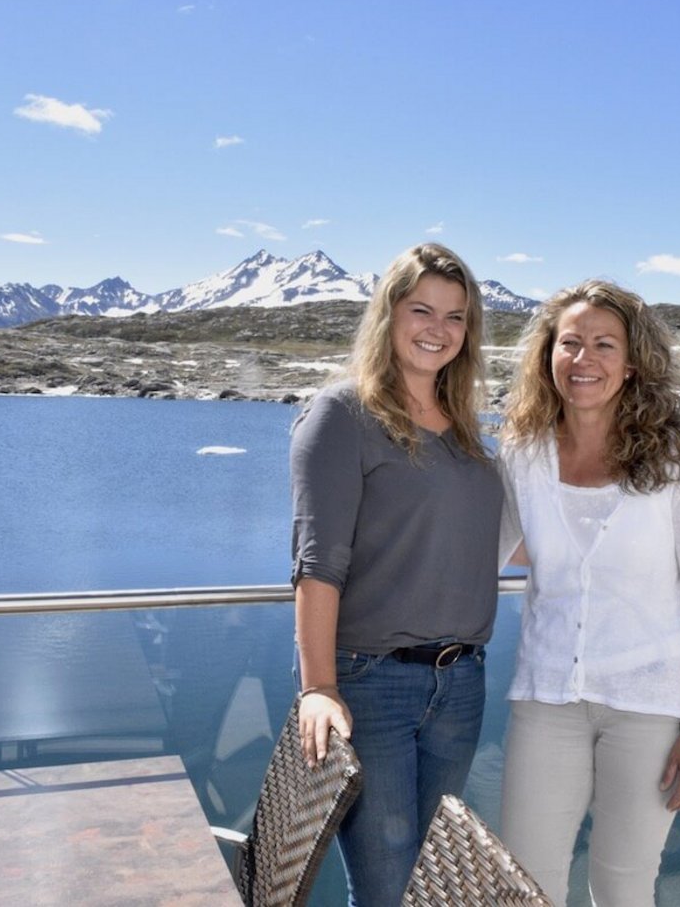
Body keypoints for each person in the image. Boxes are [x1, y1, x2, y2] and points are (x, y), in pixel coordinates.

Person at [496, 279, 680, 905]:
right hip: (546, 698)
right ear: (547, 355)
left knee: (622, 886)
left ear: (631, 363)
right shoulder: (522, 451)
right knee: (525, 885)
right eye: (570, 343)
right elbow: (485, 546)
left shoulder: (676, 455)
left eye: (604, 344)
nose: (585, 359)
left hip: (649, 705)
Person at [288, 242, 504, 907]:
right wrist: (318, 686)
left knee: (428, 880)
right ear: (389, 314)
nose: (439, 328)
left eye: (456, 316)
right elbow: (318, 563)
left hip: (461, 683)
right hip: (370, 684)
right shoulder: (342, 414)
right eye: (422, 310)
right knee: (386, 886)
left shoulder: (465, 431)